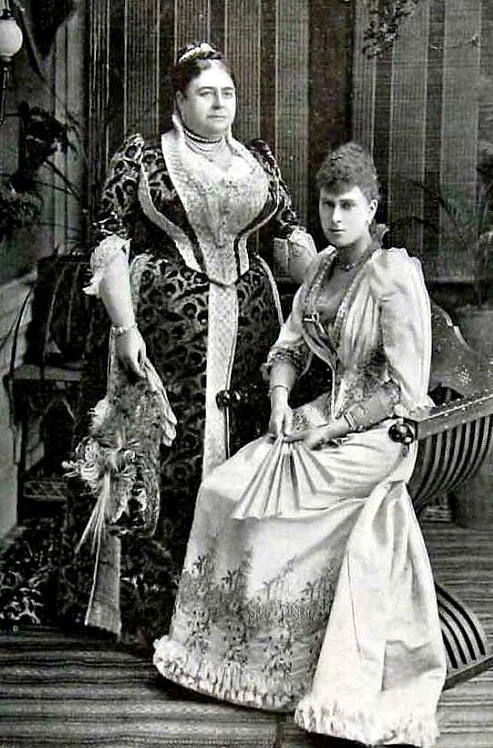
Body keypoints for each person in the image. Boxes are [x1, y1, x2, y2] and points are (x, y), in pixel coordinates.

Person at [153, 142, 447, 746]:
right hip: (316, 419)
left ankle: (286, 666)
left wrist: (334, 429)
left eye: (348, 206)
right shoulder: (320, 269)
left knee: (275, 513)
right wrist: (280, 403)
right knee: (225, 488)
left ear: (372, 207)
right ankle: (223, 657)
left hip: (378, 436)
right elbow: (288, 348)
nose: (335, 218)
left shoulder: (393, 275)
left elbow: (402, 390)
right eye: (326, 205)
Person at [57, 41, 316, 648]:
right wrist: (125, 328)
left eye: (228, 93)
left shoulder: (257, 160)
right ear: (179, 101)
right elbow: (109, 242)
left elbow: (288, 235)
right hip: (164, 328)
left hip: (251, 324)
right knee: (163, 453)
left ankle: (234, 598)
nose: (220, 104)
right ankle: (151, 609)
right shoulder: (144, 157)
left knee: (245, 446)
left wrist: (337, 287)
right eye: (206, 93)